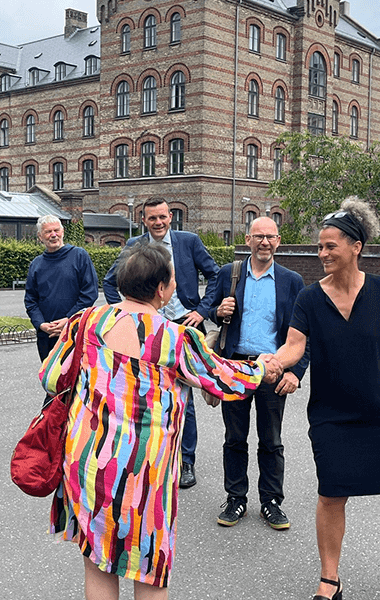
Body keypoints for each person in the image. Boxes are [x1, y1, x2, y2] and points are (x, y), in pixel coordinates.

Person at [42, 242, 283, 599]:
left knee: (97, 560)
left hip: (87, 462)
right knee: (149, 568)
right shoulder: (174, 338)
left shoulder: (85, 322)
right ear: (161, 289)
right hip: (144, 472)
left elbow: (49, 377)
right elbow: (223, 378)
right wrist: (262, 367)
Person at [273, 198, 380, 600]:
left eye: (330, 246)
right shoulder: (308, 298)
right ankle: (329, 579)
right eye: (319, 247)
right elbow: (294, 345)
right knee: (331, 493)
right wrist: (272, 363)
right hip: (331, 413)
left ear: (356, 246)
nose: (322, 254)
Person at [103, 199, 220, 489]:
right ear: (144, 220)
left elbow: (215, 275)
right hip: (145, 326)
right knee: (144, 392)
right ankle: (149, 455)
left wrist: (202, 310)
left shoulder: (189, 242)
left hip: (183, 323)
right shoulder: (134, 244)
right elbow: (109, 281)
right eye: (152, 218)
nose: (158, 222)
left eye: (163, 217)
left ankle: (186, 461)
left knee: (185, 395)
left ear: (171, 217)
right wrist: (123, 314)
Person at [205, 217, 309, 530]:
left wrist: (296, 372)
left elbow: (305, 332)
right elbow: (208, 308)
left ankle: (271, 502)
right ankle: (236, 497)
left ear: (279, 241)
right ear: (248, 239)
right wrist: (217, 312)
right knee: (234, 437)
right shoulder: (229, 273)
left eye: (271, 237)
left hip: (273, 369)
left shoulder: (292, 281)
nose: (264, 242)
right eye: (258, 236)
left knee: (271, 440)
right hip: (235, 366)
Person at [24, 215, 99, 361]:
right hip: (47, 334)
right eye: (48, 232)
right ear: (40, 236)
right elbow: (31, 300)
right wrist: (41, 324)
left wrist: (69, 319)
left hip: (75, 331)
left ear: (63, 231)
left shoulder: (79, 256)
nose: (53, 235)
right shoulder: (36, 264)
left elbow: (89, 294)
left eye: (56, 230)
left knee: (76, 379)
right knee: (51, 379)